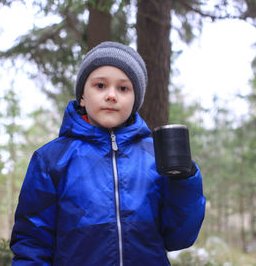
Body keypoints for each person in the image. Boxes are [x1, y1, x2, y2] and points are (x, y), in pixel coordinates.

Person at [10, 41, 206, 265]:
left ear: (135, 100)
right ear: (82, 96)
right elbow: (32, 243)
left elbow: (179, 237)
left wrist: (184, 181)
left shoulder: (155, 156)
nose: (112, 95)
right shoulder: (51, 160)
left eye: (123, 88)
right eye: (100, 86)